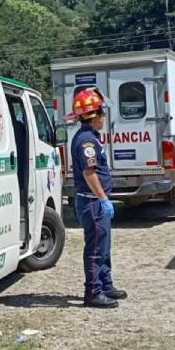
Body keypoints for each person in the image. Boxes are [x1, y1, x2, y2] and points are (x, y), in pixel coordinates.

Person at [69, 87, 125, 309]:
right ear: (93, 116)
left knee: (104, 246)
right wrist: (102, 199)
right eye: (102, 113)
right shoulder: (87, 141)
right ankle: (93, 292)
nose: (104, 117)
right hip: (92, 202)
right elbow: (89, 173)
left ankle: (105, 284)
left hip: (96, 201)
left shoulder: (91, 137)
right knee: (95, 249)